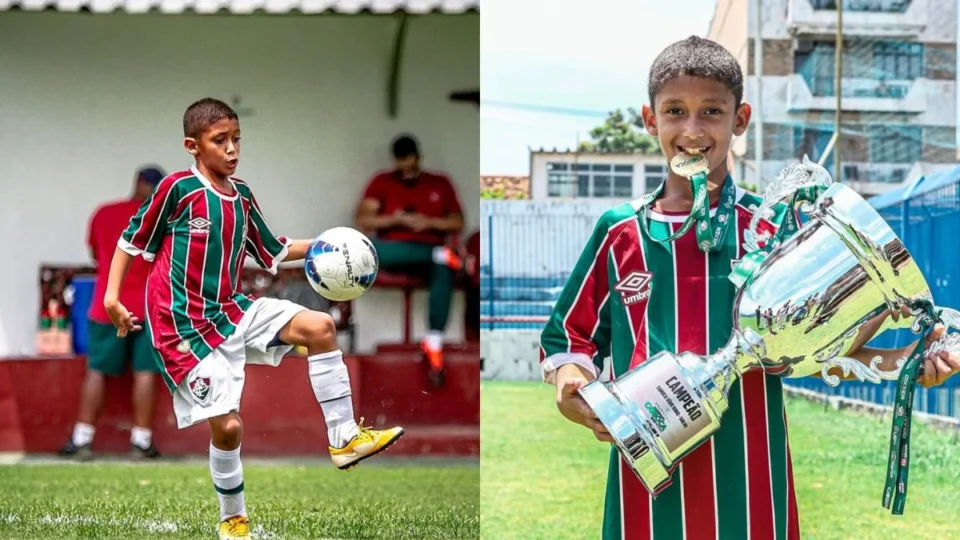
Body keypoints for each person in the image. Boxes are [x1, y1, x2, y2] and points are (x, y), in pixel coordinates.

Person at [539, 36, 960, 540]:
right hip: (644, 486)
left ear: (739, 120)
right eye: (675, 111)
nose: (691, 130)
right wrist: (571, 390)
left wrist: (910, 362)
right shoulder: (619, 231)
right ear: (651, 121)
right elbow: (569, 339)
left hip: (754, 478)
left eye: (711, 112)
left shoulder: (778, 229)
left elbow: (826, 352)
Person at [103, 98, 404, 540]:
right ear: (193, 145)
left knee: (320, 327)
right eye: (219, 140)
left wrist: (331, 244)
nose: (231, 149)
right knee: (228, 427)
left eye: (236, 139)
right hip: (181, 325)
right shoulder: (177, 190)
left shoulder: (241, 195)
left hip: (231, 308)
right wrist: (112, 298)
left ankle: (344, 438)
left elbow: (273, 252)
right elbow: (130, 241)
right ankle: (233, 518)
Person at [59, 166, 166, 460]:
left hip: (109, 303)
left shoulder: (104, 213)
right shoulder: (159, 218)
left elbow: (96, 254)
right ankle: (141, 442)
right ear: (147, 186)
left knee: (97, 371)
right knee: (145, 373)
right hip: (147, 307)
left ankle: (82, 439)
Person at [355, 134, 464, 385]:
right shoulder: (382, 181)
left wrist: (429, 222)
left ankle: (434, 341)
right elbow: (364, 220)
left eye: (411, 160)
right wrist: (397, 219)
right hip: (392, 251)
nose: (407, 167)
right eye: (402, 161)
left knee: (443, 264)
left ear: (419, 157)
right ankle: (439, 254)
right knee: (367, 249)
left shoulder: (439, 182)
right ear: (395, 160)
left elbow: (457, 222)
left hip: (429, 253)